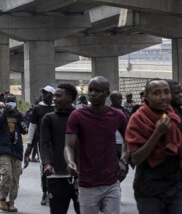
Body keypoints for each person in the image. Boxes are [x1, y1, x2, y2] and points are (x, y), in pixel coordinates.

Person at [64, 76, 129, 214]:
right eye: (91, 90)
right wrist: (70, 161)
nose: (93, 93)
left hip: (111, 181)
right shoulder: (77, 116)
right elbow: (69, 145)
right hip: (87, 183)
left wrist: (123, 160)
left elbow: (128, 139)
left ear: (107, 93)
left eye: (98, 91)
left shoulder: (117, 115)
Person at [125, 79, 182, 213]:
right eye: (156, 93)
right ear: (145, 96)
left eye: (166, 92)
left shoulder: (174, 115)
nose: (163, 97)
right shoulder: (137, 119)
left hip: (175, 185)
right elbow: (136, 159)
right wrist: (157, 133)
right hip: (149, 189)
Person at [39, 83, 80, 214]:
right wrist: (46, 164)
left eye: (58, 95)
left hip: (80, 177)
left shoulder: (80, 117)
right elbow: (44, 144)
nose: (54, 98)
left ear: (69, 98)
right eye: (54, 96)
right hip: (56, 176)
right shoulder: (48, 118)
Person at [0, 93, 27, 212]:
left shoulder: (19, 115)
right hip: (4, 149)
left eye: (13, 102)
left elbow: (25, 130)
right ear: (5, 103)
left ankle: (11, 202)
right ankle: (2, 199)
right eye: (9, 102)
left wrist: (19, 117)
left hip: (16, 149)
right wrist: (4, 114)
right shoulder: (0, 114)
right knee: (7, 175)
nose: (11, 104)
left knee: (15, 177)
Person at [26, 85, 56, 206]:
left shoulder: (57, 107)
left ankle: (55, 192)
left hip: (57, 143)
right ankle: (45, 192)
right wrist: (29, 143)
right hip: (42, 142)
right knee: (45, 167)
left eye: (47, 93)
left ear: (52, 95)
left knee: (57, 168)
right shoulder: (38, 108)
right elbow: (32, 126)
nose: (44, 95)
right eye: (43, 93)